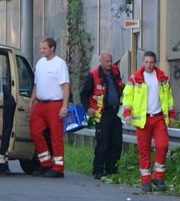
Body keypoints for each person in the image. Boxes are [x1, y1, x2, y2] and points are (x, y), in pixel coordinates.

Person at [122, 50, 175, 193]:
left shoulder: (162, 77)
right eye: (146, 62)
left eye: (151, 62)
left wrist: (171, 115)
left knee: (163, 145)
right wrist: (127, 113)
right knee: (144, 150)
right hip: (143, 119)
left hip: (158, 117)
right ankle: (146, 181)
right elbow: (127, 97)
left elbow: (168, 98)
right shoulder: (136, 78)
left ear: (155, 63)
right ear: (143, 62)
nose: (149, 65)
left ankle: (159, 177)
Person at [79, 51, 124, 179]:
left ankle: (111, 169)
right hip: (102, 113)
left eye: (111, 61)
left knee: (116, 142)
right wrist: (88, 108)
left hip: (116, 112)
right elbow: (83, 95)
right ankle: (98, 170)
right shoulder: (93, 75)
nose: (110, 64)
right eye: (107, 61)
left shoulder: (115, 71)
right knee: (103, 142)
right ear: (101, 61)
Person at [31, 37, 71, 178]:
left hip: (55, 104)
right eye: (41, 48)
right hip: (40, 104)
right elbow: (37, 85)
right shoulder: (40, 63)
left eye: (44, 48)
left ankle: (58, 167)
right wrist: (31, 102)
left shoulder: (60, 64)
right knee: (35, 132)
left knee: (56, 136)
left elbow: (66, 86)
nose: (42, 50)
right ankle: (46, 163)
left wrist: (64, 106)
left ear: (52, 48)